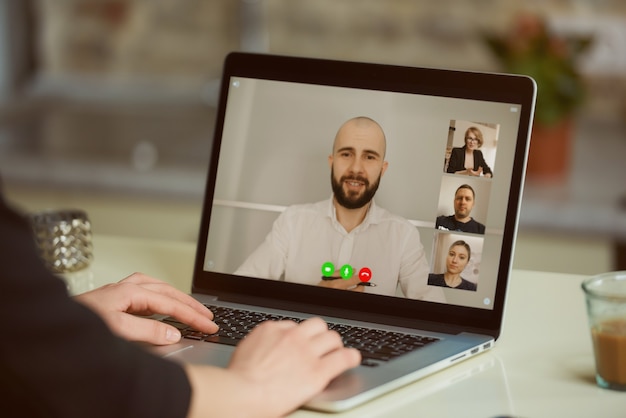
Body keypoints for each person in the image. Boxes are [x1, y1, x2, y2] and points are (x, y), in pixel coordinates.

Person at [0, 188, 361, 417]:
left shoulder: (400, 233)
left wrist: (51, 321)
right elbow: (106, 391)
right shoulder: (296, 221)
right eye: (347, 153)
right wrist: (250, 388)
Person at [235, 116, 443, 302]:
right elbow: (240, 290)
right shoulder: (292, 221)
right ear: (332, 162)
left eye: (369, 157)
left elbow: (435, 313)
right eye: (346, 154)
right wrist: (313, 299)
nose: (355, 168)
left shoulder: (404, 235)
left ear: (382, 168)